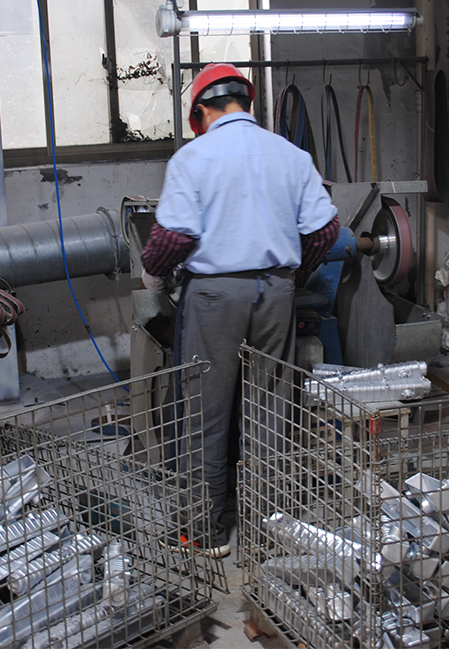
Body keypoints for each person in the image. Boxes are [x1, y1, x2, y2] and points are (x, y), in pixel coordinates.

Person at [140, 64, 339, 558]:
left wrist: (154, 273)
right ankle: (264, 531)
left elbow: (172, 238)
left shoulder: (193, 157)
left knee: (203, 413)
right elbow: (325, 231)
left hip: (214, 297)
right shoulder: (291, 155)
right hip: (275, 293)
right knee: (269, 410)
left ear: (201, 112)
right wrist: (294, 273)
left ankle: (200, 532)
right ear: (246, 103)